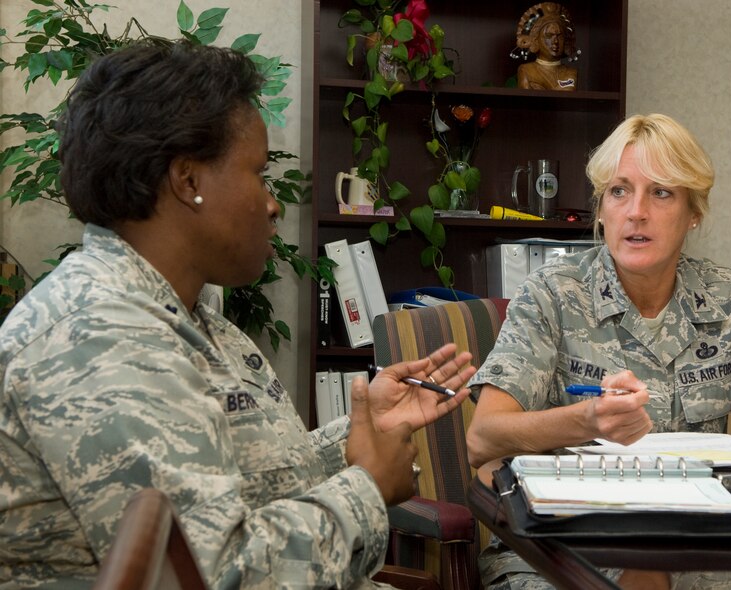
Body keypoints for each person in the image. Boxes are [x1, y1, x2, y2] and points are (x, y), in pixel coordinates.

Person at [0, 40, 477, 589]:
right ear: (188, 181)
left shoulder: (193, 319)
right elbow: (217, 575)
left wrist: (362, 431)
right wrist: (367, 486)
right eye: (258, 173)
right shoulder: (98, 336)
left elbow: (246, 479)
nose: (273, 204)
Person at [464, 113, 731, 589]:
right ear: (601, 210)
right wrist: (586, 420)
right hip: (559, 550)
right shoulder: (551, 294)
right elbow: (482, 439)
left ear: (693, 212)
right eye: (619, 191)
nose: (636, 212)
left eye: (660, 193)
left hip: (695, 550)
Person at [515, 2, 578, 92]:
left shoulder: (571, 72)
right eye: (549, 36)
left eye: (559, 36)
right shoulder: (526, 70)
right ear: (536, 40)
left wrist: (542, 89)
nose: (555, 41)